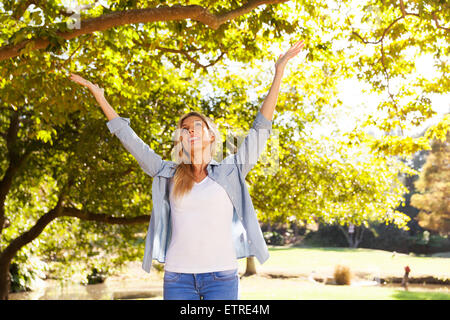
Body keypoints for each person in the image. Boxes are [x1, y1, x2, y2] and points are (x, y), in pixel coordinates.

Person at [69, 40, 305, 300]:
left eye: (196, 126)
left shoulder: (231, 169)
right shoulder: (167, 173)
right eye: (184, 129)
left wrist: (278, 72)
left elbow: (261, 127)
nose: (190, 130)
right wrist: (100, 97)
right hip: (178, 278)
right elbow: (131, 140)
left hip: (222, 277)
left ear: (211, 136)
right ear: (180, 140)